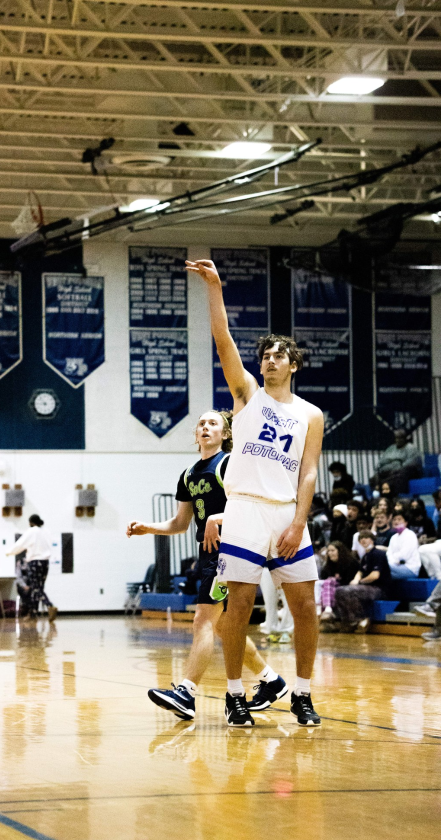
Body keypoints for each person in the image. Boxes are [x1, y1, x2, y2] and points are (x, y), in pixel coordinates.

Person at [188, 257, 324, 728]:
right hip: (244, 510)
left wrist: (300, 522)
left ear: (293, 364)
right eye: (265, 354)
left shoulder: (311, 415)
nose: (269, 360)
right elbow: (223, 339)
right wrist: (215, 289)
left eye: (278, 355)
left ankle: (303, 694)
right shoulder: (246, 393)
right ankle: (233, 695)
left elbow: (308, 473)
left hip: (286, 514)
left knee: (306, 606)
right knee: (238, 607)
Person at [127, 410, 287, 720]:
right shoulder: (188, 474)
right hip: (209, 554)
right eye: (201, 423)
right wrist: (148, 527)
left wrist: (218, 519)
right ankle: (271, 680)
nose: (205, 426)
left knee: (203, 619)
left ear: (226, 434)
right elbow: (180, 522)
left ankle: (186, 692)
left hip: (232, 549)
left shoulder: (229, 464)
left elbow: (253, 508)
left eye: (213, 422)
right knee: (223, 626)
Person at [333, 530, 391, 632]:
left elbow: (375, 575)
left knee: (349, 591)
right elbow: (360, 571)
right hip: (368, 587)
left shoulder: (378, 554)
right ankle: (350, 621)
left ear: (372, 540)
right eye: (361, 538)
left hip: (380, 589)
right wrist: (355, 580)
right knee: (340, 590)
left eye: (366, 538)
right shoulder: (365, 556)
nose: (363, 540)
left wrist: (359, 582)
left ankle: (362, 619)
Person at [7, 514, 58, 621]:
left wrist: (9, 552)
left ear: (30, 522)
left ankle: (49, 605)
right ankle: (33, 613)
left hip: (35, 562)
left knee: (35, 588)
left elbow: (20, 544)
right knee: (39, 588)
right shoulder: (45, 531)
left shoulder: (32, 531)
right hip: (45, 562)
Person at [318, 541, 360, 628]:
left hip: (348, 586)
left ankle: (327, 609)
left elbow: (349, 580)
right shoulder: (328, 565)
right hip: (330, 588)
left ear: (339, 551)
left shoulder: (351, 562)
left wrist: (336, 579)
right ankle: (321, 610)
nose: (330, 553)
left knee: (329, 582)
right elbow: (323, 577)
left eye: (332, 550)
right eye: (328, 551)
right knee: (321, 583)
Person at [370, 429, 422, 495]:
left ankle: (397, 495)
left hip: (404, 472)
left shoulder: (411, 448)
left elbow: (412, 462)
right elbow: (382, 461)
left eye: (400, 438)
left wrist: (396, 464)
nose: (398, 440)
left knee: (399, 474)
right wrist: (395, 461)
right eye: (396, 438)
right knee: (374, 478)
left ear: (405, 438)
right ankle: (379, 495)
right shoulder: (391, 448)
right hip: (390, 471)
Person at [387, 513, 421, 579]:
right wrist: (392, 561)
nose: (396, 521)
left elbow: (404, 555)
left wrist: (392, 561)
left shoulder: (410, 535)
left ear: (406, 523)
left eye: (399, 519)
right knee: (381, 571)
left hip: (410, 568)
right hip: (394, 566)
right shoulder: (393, 537)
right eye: (394, 520)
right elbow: (389, 553)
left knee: (383, 568)